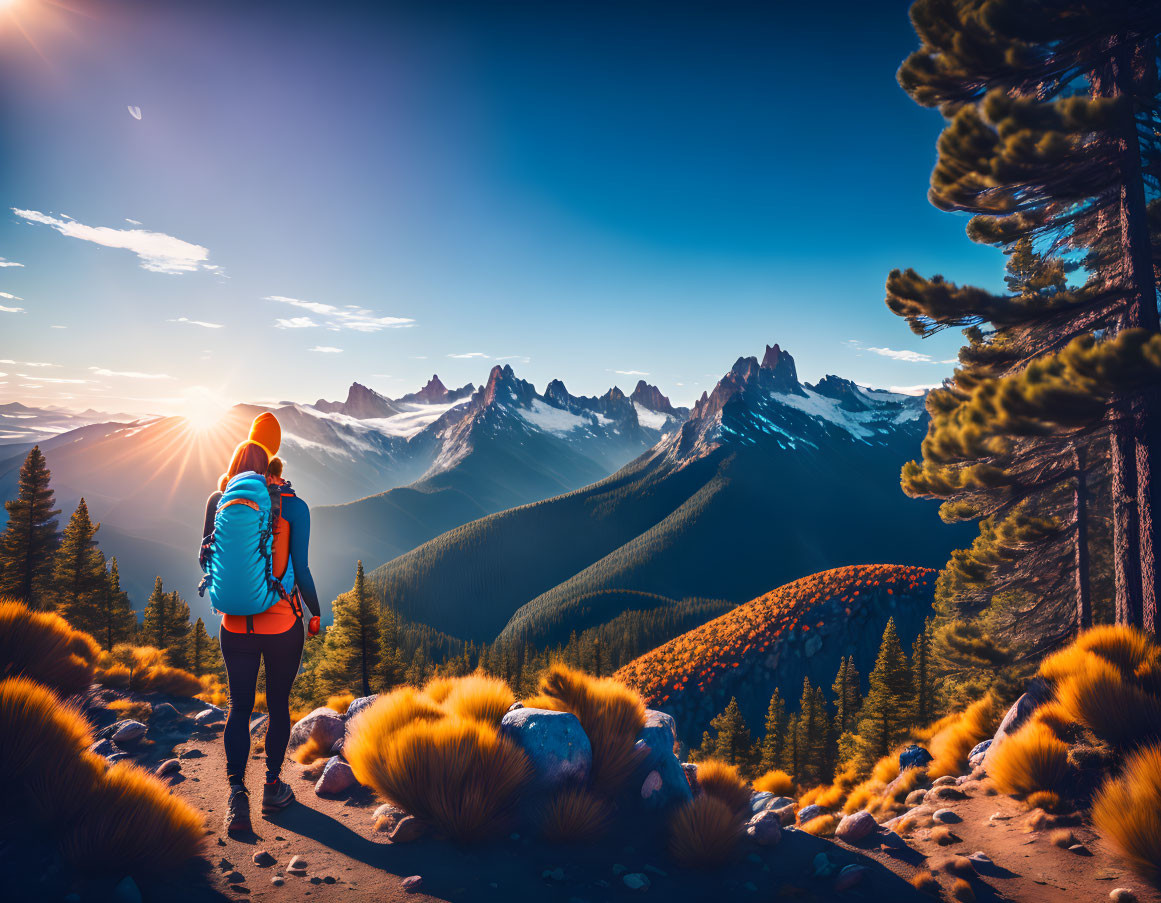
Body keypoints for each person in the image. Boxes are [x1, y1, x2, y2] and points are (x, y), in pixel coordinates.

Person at [200, 412, 321, 835]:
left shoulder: (219, 501)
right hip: (282, 625)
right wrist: (316, 611)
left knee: (238, 707)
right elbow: (302, 571)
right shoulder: (294, 506)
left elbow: (207, 557)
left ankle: (237, 795)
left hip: (234, 626)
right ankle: (272, 786)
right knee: (277, 706)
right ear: (275, 458)